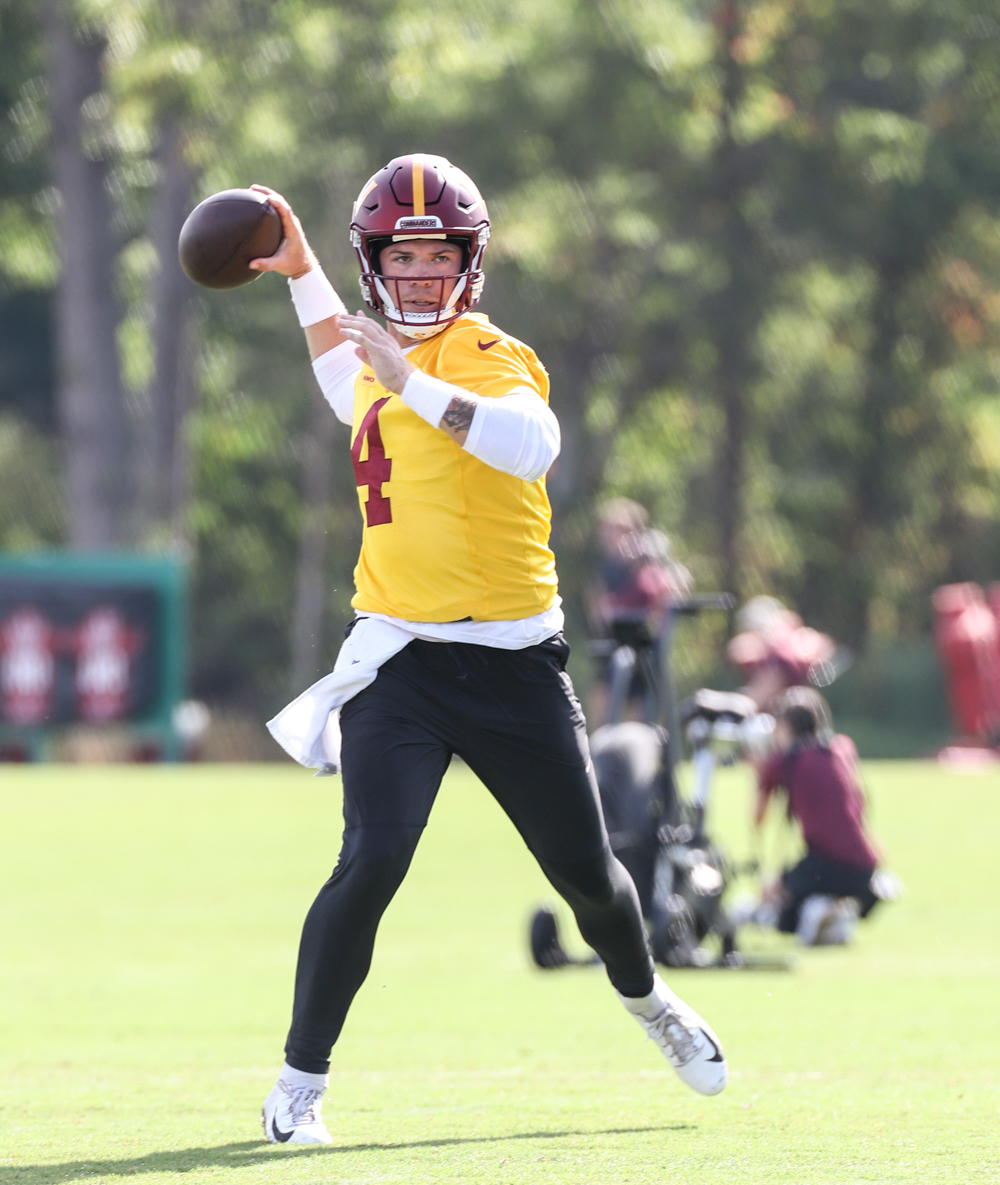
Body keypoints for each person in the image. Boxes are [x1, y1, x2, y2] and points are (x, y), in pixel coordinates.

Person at [248, 155, 727, 1145]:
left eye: (436, 251)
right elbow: (350, 382)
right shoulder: (381, 365)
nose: (419, 268)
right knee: (373, 855)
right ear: (375, 261)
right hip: (399, 663)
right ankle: (300, 1081)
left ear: (467, 260)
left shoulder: (488, 352)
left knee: (588, 876)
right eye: (401, 251)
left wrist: (409, 380)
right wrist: (302, 274)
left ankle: (649, 1002)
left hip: (513, 668)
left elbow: (529, 445)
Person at [750, 686, 893, 945]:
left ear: (785, 727)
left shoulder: (785, 761)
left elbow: (758, 819)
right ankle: (837, 914)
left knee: (780, 904)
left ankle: (820, 914)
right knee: (806, 882)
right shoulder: (842, 749)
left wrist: (759, 773)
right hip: (864, 869)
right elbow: (858, 804)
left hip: (824, 865)